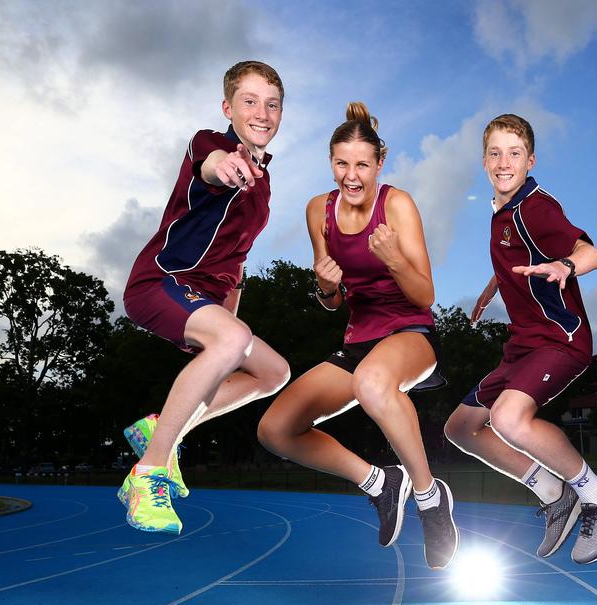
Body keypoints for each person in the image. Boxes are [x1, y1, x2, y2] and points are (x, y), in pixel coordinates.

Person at [257, 103, 458, 569]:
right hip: (358, 340)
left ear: (379, 164)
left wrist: (393, 259)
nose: (351, 176)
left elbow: (425, 295)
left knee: (372, 382)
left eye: (362, 164)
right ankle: (380, 483)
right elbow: (332, 300)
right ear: (331, 163)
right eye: (342, 164)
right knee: (275, 429)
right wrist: (325, 287)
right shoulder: (318, 211)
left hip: (411, 332)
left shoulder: (397, 204)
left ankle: (430, 499)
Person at [444, 114, 597, 565]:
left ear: (530, 160)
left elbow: (591, 252)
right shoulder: (503, 212)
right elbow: (520, 252)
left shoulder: (536, 208)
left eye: (514, 153)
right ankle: (553, 493)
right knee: (461, 429)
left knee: (508, 419)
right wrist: (496, 283)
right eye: (495, 153)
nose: (503, 162)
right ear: (484, 160)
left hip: (560, 340)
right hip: (522, 344)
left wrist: (566, 266)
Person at [118, 61, 291, 534]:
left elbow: (236, 263)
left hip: (204, 298)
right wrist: (226, 165)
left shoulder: (265, 187)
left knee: (274, 372)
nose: (262, 112)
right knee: (234, 341)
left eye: (272, 104)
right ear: (228, 108)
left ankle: (161, 425)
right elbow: (210, 167)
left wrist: (227, 327)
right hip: (159, 281)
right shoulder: (209, 143)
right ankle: (148, 472)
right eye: (250, 101)